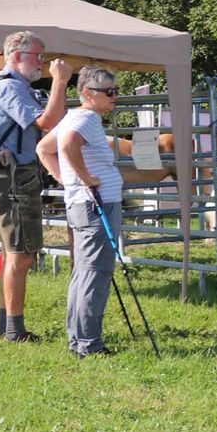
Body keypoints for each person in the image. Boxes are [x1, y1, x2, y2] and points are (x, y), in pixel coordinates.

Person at [36, 65, 145, 359]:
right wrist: (83, 178)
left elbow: (45, 149)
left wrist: (65, 179)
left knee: (83, 273)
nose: (115, 96)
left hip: (85, 202)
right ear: (87, 93)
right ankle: (88, 343)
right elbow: (68, 145)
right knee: (95, 273)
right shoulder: (85, 118)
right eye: (109, 91)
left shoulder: (74, 116)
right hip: (96, 204)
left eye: (116, 90)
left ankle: (79, 338)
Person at [0, 31, 72, 342]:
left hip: (11, 177)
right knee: (22, 255)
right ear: (17, 56)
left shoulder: (8, 85)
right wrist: (59, 81)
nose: (43, 64)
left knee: (13, 253)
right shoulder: (9, 87)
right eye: (38, 57)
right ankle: (14, 331)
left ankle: (5, 324)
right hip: (13, 179)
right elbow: (46, 123)